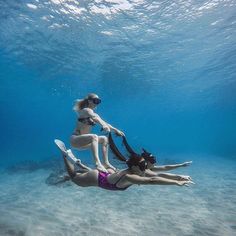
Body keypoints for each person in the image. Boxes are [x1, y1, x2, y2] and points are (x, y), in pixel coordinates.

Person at [55, 140, 194, 191]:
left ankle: (80, 164)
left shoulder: (136, 170)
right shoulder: (130, 176)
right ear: (133, 167)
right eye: (142, 165)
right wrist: (176, 183)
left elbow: (160, 173)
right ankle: (65, 155)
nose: (144, 167)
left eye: (144, 165)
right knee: (73, 177)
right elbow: (152, 180)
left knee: (81, 174)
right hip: (99, 178)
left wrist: (178, 176)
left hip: (107, 174)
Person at [70, 93, 124, 173]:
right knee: (94, 136)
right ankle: (97, 163)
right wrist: (103, 125)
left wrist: (116, 130)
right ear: (89, 101)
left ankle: (106, 163)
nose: (97, 103)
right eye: (96, 101)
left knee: (104, 139)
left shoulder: (93, 113)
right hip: (75, 140)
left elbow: (103, 121)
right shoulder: (86, 110)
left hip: (85, 143)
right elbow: (96, 119)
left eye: (99, 101)